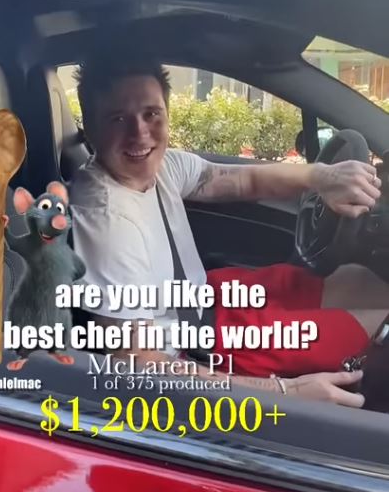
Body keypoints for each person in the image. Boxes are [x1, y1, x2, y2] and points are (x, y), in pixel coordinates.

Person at [68, 51, 388, 408]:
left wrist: (321, 176)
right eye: (118, 119)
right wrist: (288, 392)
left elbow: (241, 180)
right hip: (199, 347)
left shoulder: (163, 166)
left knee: (358, 278)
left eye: (151, 114)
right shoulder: (105, 216)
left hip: (208, 299)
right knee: (378, 328)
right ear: (91, 129)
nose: (139, 133)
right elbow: (135, 360)